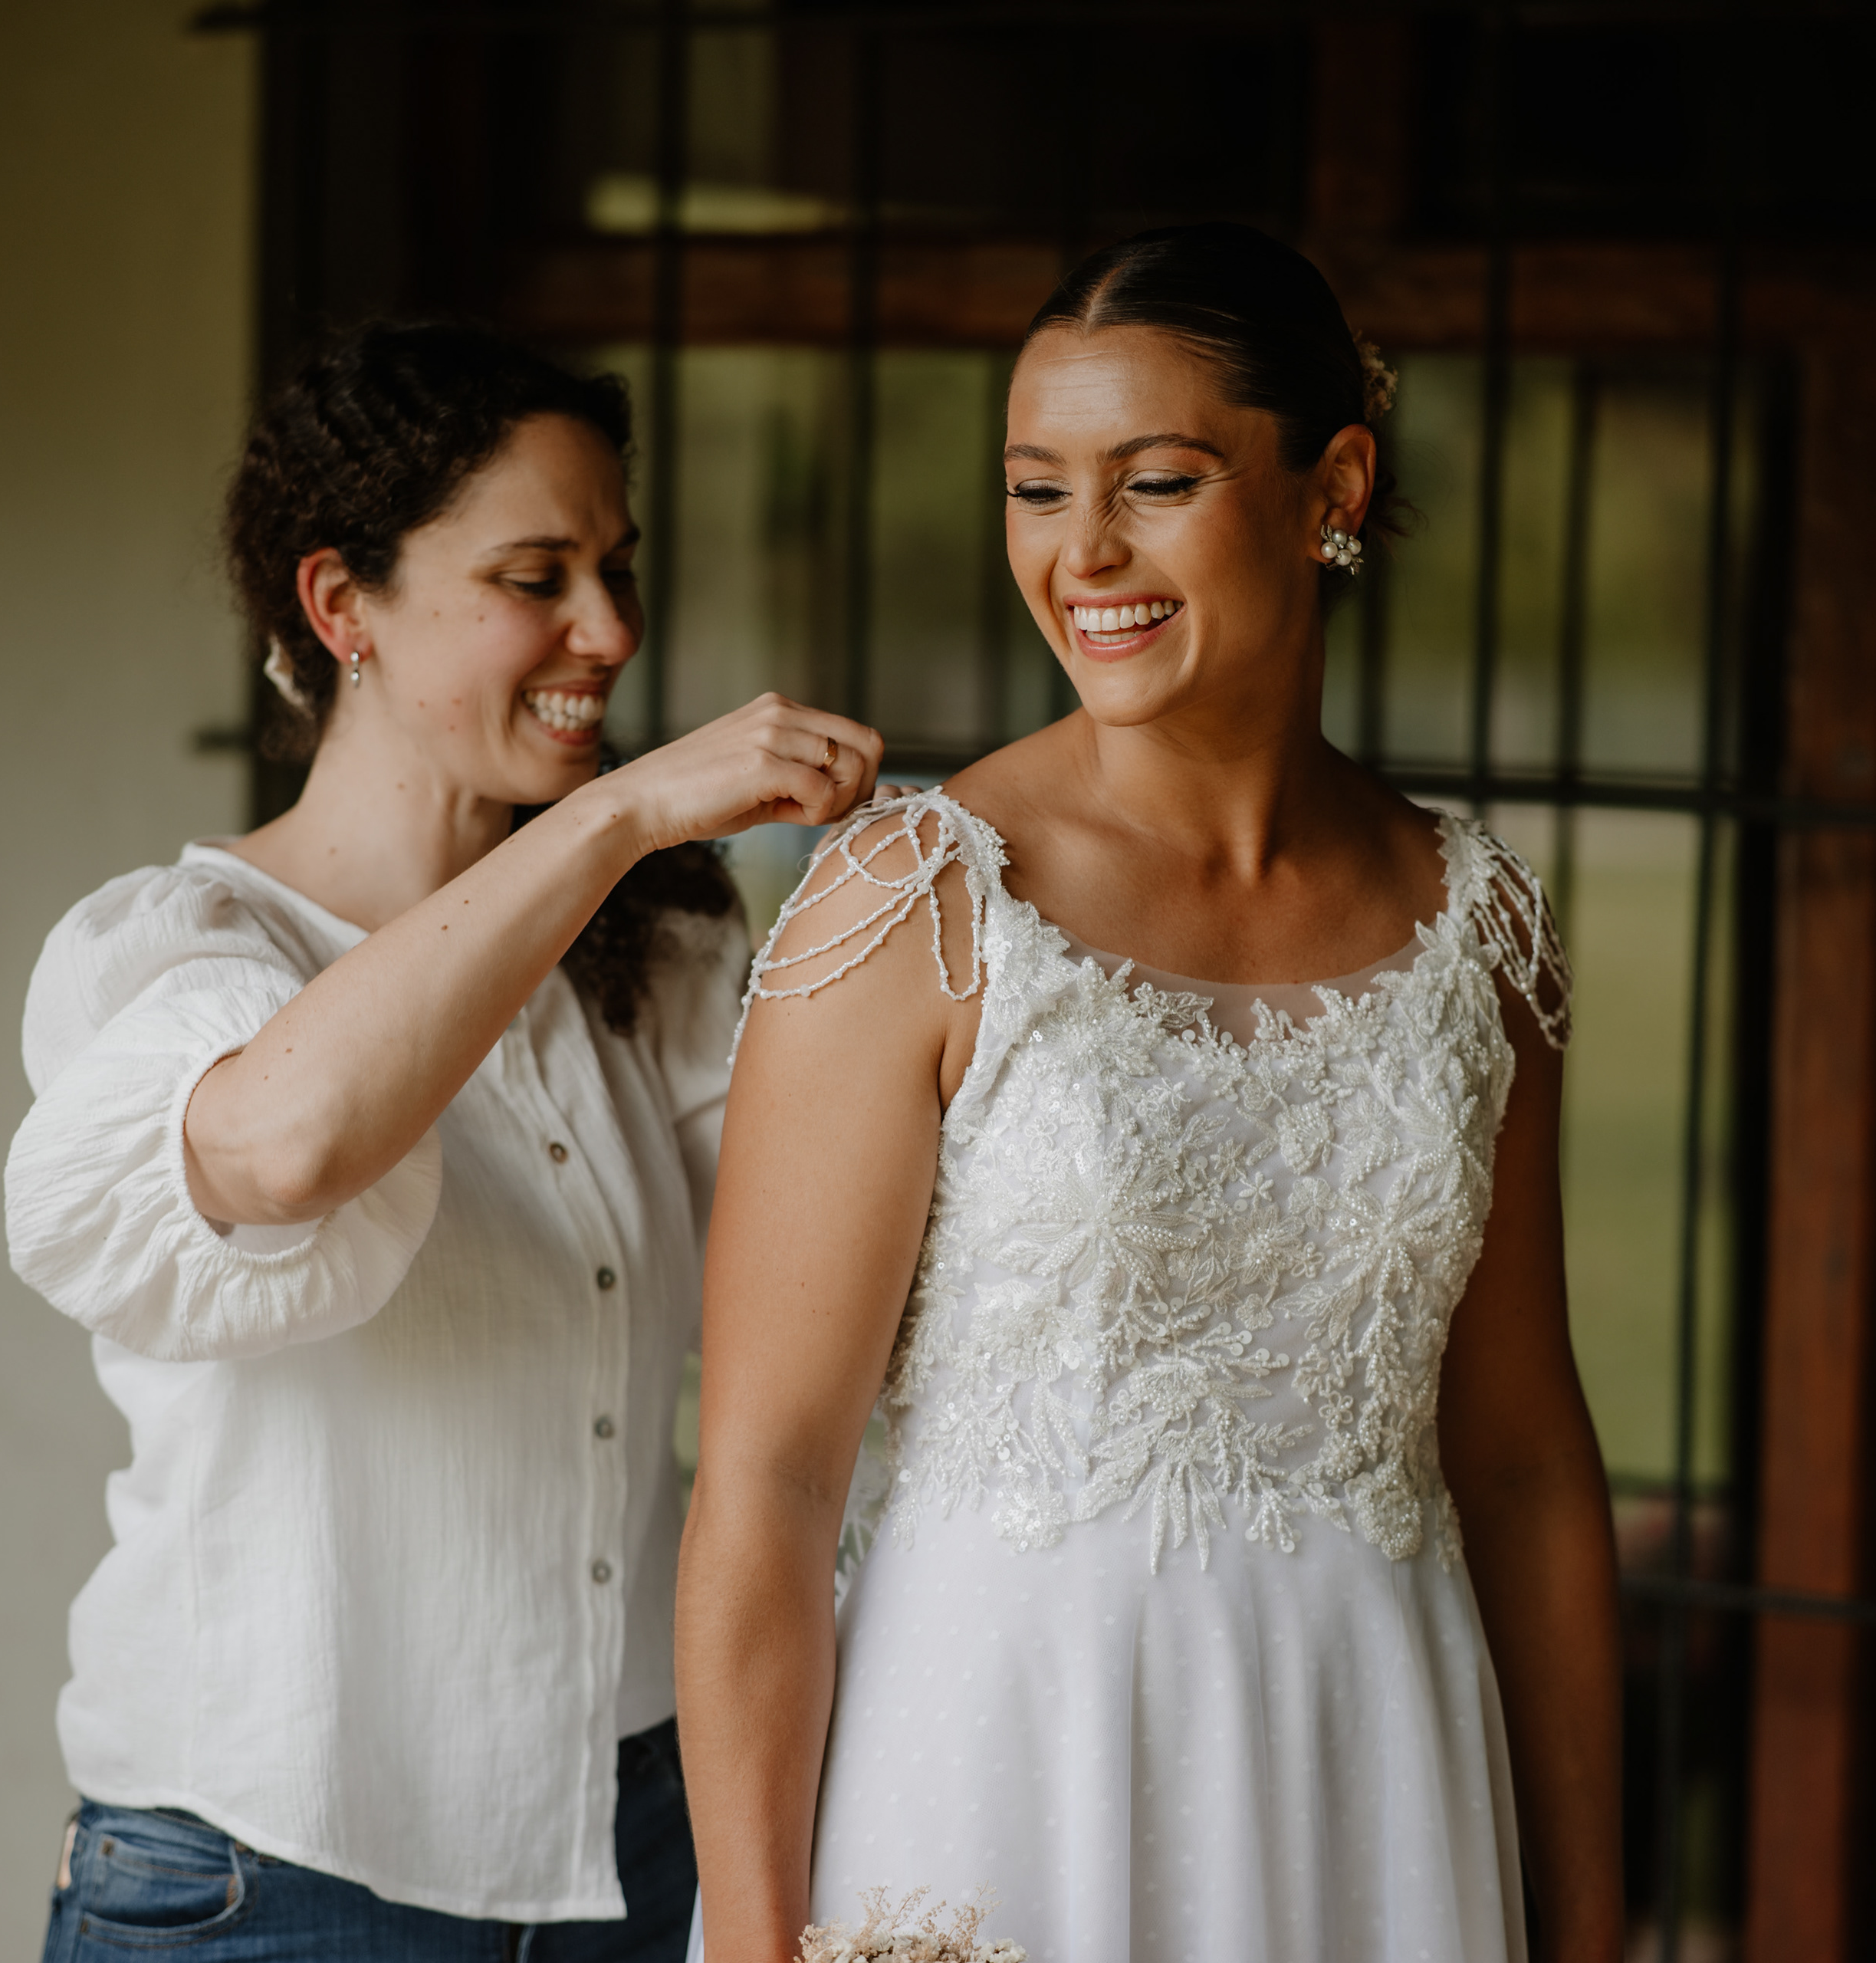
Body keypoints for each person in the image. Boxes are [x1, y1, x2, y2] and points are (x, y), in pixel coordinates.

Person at [676, 225, 1625, 1963]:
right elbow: (769, 1482)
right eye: (1037, 490)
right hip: (1005, 1779)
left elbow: (1525, 1466)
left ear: (1334, 485)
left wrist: (1588, 1919)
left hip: (1374, 1792)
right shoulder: (914, 901)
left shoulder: (1481, 928)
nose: (1084, 552)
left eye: (1159, 482)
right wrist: (750, 1942)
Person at [3, 321, 882, 1961]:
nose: (610, 630)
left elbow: (840, 1287)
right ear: (343, 606)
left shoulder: (662, 955)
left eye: (618, 568)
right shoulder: (174, 950)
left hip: (645, 1844)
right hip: (268, 1873)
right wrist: (619, 812)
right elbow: (285, 1151)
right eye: (536, 577)